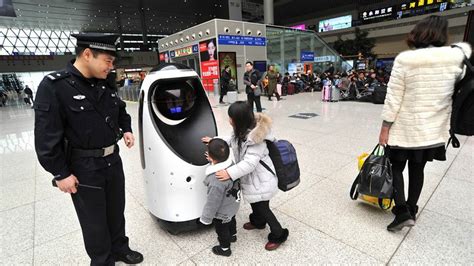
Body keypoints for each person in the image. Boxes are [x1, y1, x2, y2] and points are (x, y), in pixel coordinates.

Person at [33, 33, 143, 265]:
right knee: (93, 220)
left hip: (112, 160)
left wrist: (126, 129)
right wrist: (60, 173)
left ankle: (120, 248)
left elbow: (120, 110)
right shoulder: (54, 86)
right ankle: (102, 260)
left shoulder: (105, 81)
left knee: (116, 211)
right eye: (108, 61)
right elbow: (46, 137)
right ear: (87, 54)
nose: (111, 67)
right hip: (84, 167)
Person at [378, 15, 471, 232]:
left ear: (417, 34)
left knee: (397, 167)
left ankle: (401, 212)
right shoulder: (456, 58)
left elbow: (393, 98)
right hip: (431, 130)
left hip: (405, 128)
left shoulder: (405, 60)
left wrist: (384, 129)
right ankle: (412, 208)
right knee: (418, 169)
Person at [202, 101, 289, 251]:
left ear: (238, 119)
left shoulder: (257, 139)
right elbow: (232, 141)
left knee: (262, 207)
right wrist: (215, 141)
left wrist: (229, 173)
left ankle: (278, 233)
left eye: (231, 117)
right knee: (256, 203)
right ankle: (258, 222)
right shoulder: (241, 130)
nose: (229, 120)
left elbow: (249, 164)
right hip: (254, 178)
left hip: (262, 180)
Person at [200, 138, 240, 257]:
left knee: (222, 229)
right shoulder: (232, 166)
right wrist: (212, 160)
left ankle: (224, 248)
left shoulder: (216, 180)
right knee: (231, 219)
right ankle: (233, 235)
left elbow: (213, 202)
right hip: (233, 204)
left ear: (211, 158)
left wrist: (206, 218)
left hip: (222, 211)